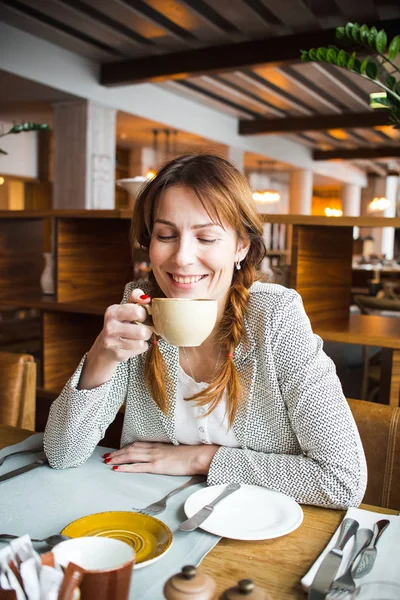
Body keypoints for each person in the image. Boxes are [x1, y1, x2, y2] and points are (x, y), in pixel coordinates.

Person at [44, 153, 367, 509]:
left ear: (241, 246)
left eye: (207, 238)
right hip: (149, 513)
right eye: (166, 234)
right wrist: (101, 357)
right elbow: (62, 453)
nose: (181, 257)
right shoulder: (139, 306)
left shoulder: (276, 318)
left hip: (260, 527)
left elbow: (343, 480)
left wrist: (201, 459)